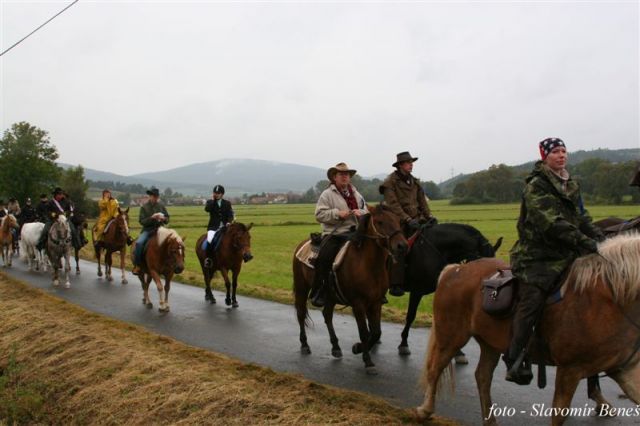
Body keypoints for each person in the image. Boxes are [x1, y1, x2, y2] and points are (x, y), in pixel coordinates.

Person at [504, 138, 604, 385]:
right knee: (532, 300)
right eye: (556, 152)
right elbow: (551, 223)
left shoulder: (571, 184)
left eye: (564, 151)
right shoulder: (535, 186)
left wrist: (601, 238)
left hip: (567, 254)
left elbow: (581, 217)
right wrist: (586, 242)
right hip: (538, 257)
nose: (561, 155)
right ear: (544, 156)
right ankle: (514, 357)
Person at [310, 162, 368, 307]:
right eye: (341, 174)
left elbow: (366, 210)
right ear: (334, 177)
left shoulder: (356, 193)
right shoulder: (327, 194)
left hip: (356, 232)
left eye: (346, 174)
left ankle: (375, 288)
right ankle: (320, 290)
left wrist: (359, 213)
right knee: (324, 257)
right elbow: (319, 214)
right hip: (336, 233)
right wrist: (337, 214)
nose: (344, 177)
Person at [379, 151, 436, 297]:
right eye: (408, 162)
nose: (411, 165)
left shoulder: (415, 181)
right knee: (400, 248)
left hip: (417, 219)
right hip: (398, 222)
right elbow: (393, 205)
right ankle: (396, 284)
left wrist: (429, 216)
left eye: (412, 162)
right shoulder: (390, 182)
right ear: (400, 165)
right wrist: (407, 220)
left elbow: (422, 201)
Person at [132, 188, 169, 276]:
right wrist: (151, 218)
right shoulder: (144, 207)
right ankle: (138, 265)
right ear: (150, 196)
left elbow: (167, 218)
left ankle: (170, 265)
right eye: (153, 196)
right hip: (148, 230)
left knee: (172, 242)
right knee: (139, 243)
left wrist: (164, 219)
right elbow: (141, 221)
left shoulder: (161, 206)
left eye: (156, 196)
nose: (155, 198)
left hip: (160, 229)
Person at [202, 185, 234, 268]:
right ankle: (208, 259)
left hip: (225, 227)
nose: (216, 194)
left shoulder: (227, 203)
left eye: (218, 193)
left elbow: (230, 215)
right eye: (215, 193)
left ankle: (239, 256)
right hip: (213, 227)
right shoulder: (210, 202)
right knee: (209, 240)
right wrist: (213, 200)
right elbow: (207, 209)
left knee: (236, 238)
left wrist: (229, 222)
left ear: (222, 194)